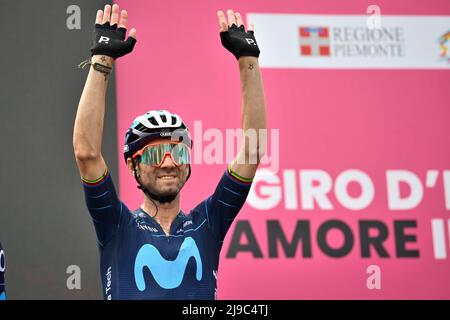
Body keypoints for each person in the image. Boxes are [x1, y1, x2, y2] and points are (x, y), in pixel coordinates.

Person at [73, 4, 266, 300]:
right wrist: (102, 62)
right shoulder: (116, 224)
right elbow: (86, 153)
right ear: (132, 164)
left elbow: (252, 152)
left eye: (177, 152)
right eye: (153, 154)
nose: (168, 163)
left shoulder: (207, 222)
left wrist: (248, 62)